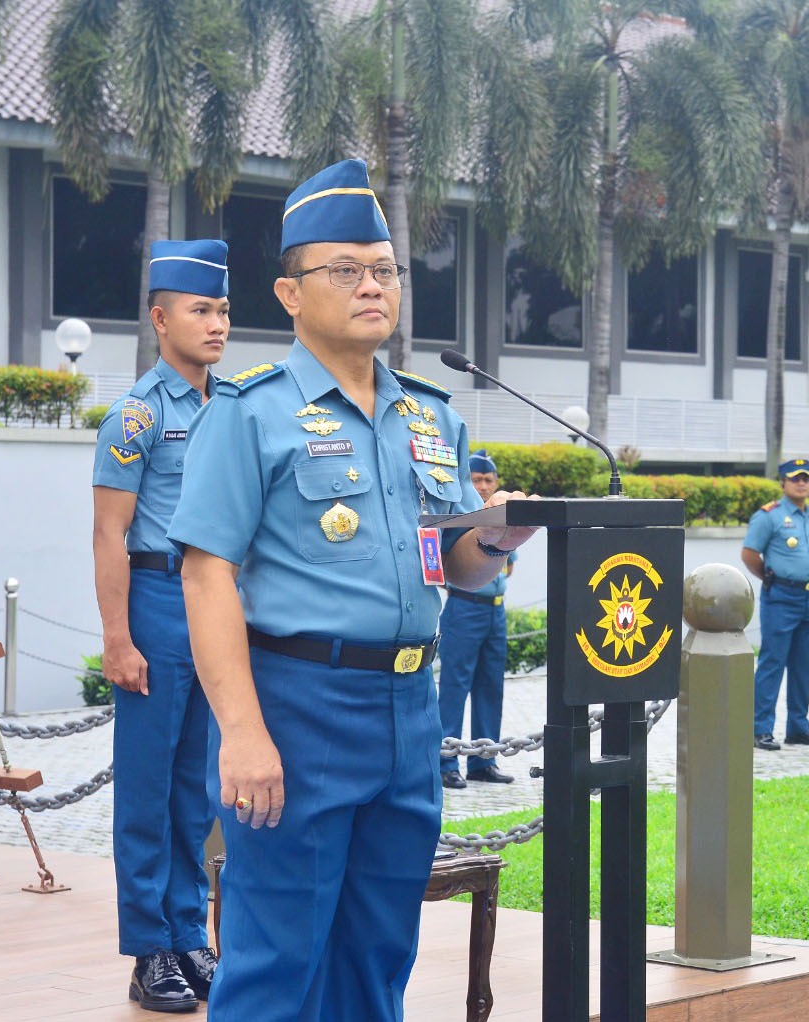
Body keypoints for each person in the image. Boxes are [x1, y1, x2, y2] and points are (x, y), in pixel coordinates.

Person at [167, 159, 536, 1020]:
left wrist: (496, 533)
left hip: (411, 707)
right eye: (344, 270)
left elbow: (456, 564)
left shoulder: (430, 416)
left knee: (377, 957)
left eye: (384, 270)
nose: (371, 286)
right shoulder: (249, 413)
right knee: (275, 963)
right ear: (290, 294)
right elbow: (205, 572)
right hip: (300, 705)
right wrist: (243, 733)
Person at [91, 239, 229, 1011]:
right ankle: (149, 951)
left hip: (218, 608)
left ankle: (187, 936)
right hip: (156, 601)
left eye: (222, 311)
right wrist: (118, 636)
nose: (216, 325)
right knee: (147, 787)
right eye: (200, 310)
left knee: (195, 786)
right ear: (160, 318)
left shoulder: (230, 405)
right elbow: (109, 533)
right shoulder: (135, 415)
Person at [438, 448, 519, 789]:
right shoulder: (462, 516)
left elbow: (509, 564)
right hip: (464, 607)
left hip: (494, 610)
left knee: (490, 685)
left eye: (489, 480)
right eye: (476, 480)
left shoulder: (498, 515)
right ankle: (445, 762)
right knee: (455, 686)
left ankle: (483, 760)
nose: (484, 486)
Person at [741, 458, 809, 750]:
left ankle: (798, 728)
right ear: (783, 483)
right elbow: (750, 554)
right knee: (773, 662)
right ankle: (760, 728)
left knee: (804, 665)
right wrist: (768, 577)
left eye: (806, 479)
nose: (802, 483)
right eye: (795, 478)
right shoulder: (769, 516)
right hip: (782, 596)